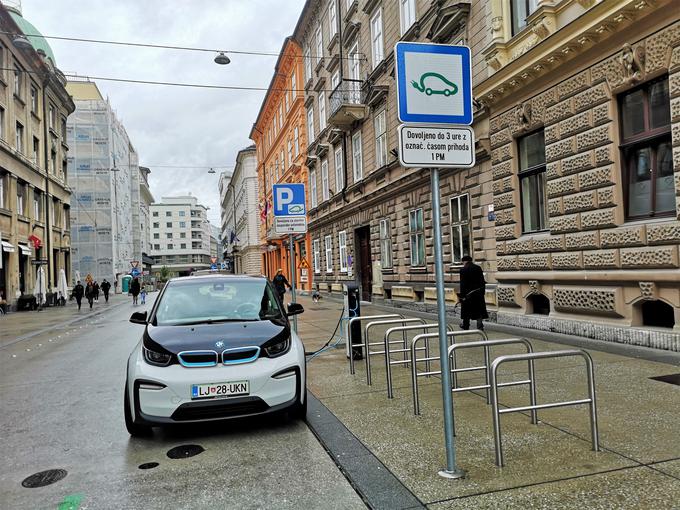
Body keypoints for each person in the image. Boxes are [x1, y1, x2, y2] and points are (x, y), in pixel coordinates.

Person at [458, 255, 488, 331]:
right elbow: (482, 282)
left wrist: (462, 296)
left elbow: (462, 284)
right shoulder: (478, 268)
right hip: (478, 294)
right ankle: (480, 326)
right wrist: (482, 293)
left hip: (468, 295)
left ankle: (466, 325)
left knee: (466, 311)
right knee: (479, 311)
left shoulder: (463, 270)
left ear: (464, 261)